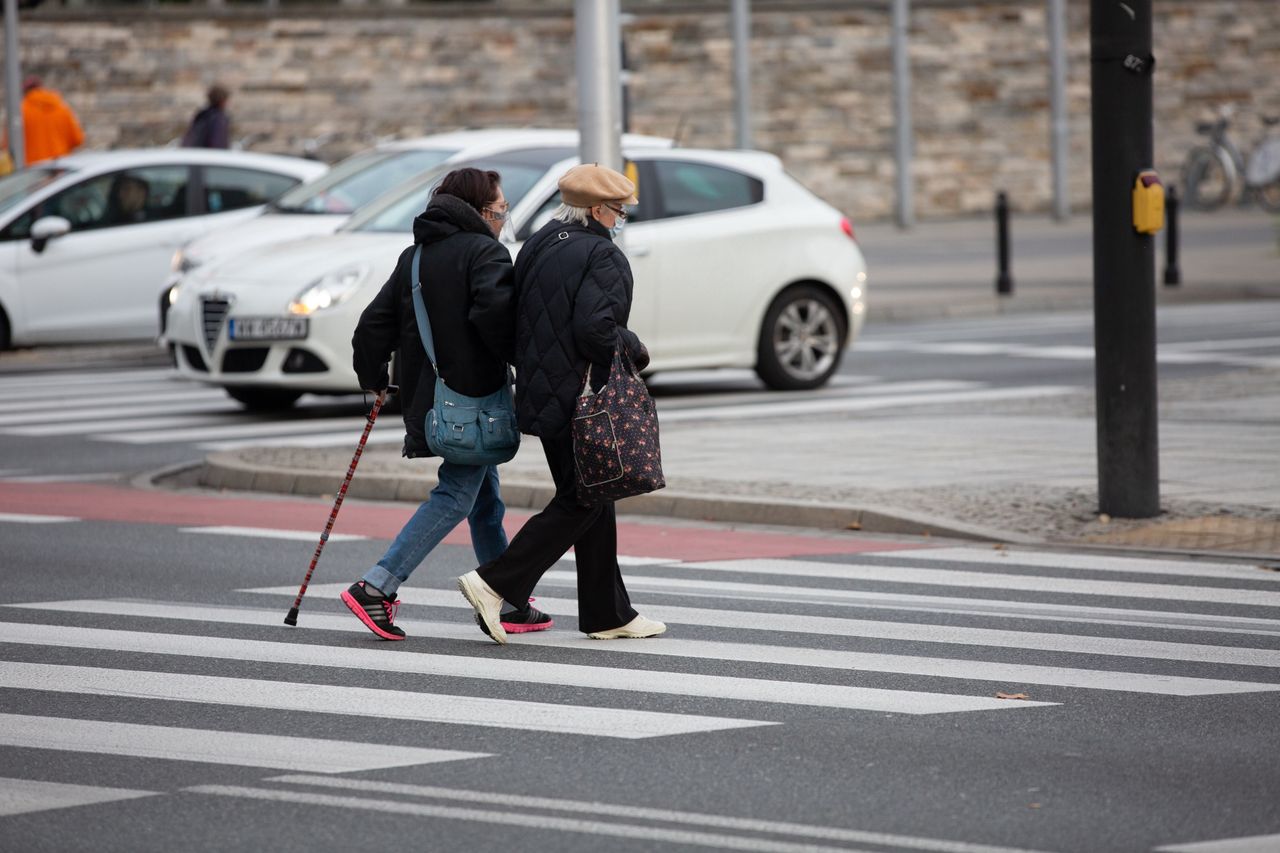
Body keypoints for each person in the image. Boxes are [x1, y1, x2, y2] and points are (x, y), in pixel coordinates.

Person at [456, 163, 667, 645]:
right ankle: (495, 582)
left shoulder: (539, 243)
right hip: (583, 403)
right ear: (596, 209)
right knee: (583, 498)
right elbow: (595, 331)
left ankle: (607, 612)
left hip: (541, 394)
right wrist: (633, 347)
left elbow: (515, 320)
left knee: (596, 494)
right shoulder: (603, 257)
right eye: (619, 211)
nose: (621, 220)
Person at [343, 167, 552, 641]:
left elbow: (371, 327)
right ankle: (377, 586)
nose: (503, 220)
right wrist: (529, 363)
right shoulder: (485, 253)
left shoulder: (415, 257)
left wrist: (373, 381)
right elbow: (497, 320)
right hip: (474, 406)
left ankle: (507, 597)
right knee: (458, 494)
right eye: (500, 211)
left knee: (485, 499)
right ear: (479, 212)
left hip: (432, 402)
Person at [19, 76, 85, 165]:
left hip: (32, 170)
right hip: (59, 166)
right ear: (41, 88)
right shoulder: (61, 107)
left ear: (25, 91)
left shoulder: (20, 110)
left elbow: (7, 145)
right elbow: (78, 139)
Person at [182, 84, 231, 149]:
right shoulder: (218, 119)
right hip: (208, 155)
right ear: (222, 101)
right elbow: (218, 143)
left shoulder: (202, 115)